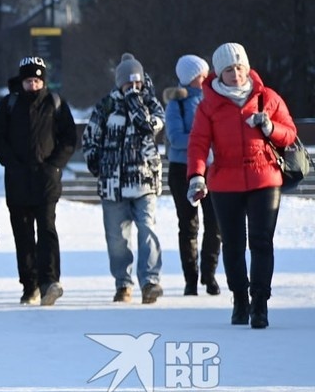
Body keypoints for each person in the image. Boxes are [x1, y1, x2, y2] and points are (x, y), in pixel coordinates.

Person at [187, 42, 297, 329]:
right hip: (225, 181)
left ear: (247, 69)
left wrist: (270, 127)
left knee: (261, 242)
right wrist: (196, 176)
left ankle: (260, 302)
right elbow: (198, 144)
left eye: (239, 68)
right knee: (233, 245)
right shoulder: (208, 105)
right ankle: (239, 299)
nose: (235, 74)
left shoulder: (267, 98)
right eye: (228, 70)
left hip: (265, 179)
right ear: (218, 74)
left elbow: (289, 134)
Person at [0, 56, 77, 306]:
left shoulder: (55, 103)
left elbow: (69, 138)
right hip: (17, 181)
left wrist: (54, 165)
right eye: (29, 80)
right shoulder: (9, 104)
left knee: (47, 230)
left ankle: (49, 281)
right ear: (22, 81)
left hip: (46, 181)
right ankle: (30, 286)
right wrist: (11, 163)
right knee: (23, 235)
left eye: (38, 80)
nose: (33, 85)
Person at [81, 53, 166, 304]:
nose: (133, 87)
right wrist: (97, 163)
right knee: (117, 240)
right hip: (113, 185)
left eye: (137, 82)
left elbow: (149, 127)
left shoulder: (151, 104)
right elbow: (90, 137)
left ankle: (150, 282)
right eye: (128, 84)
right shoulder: (106, 105)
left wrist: (135, 100)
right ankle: (123, 284)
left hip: (144, 182)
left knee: (147, 230)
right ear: (119, 82)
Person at [163, 55, 221, 296]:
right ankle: (190, 278)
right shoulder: (177, 102)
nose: (206, 77)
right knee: (188, 225)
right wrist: (202, 140)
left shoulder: (214, 100)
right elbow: (175, 138)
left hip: (212, 169)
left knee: (214, 222)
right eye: (201, 74)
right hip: (182, 169)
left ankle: (210, 275)